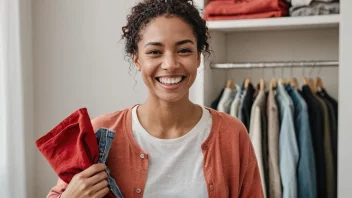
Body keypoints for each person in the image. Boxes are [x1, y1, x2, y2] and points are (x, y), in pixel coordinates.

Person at [47, 0, 263, 197]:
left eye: (184, 50)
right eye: (154, 52)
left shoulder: (232, 134)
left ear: (198, 57)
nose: (170, 64)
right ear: (137, 59)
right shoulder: (100, 133)